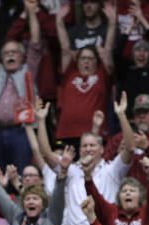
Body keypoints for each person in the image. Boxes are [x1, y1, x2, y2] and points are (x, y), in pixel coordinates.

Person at [36, 94, 135, 225]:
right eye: (84, 146)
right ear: (79, 150)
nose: (88, 149)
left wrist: (121, 115)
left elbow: (130, 147)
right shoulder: (71, 171)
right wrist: (41, 121)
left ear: (102, 149)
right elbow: (45, 154)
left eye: (92, 145)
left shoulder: (112, 170)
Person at [0, 0, 44, 171]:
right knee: (0, 181)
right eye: (6, 53)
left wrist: (31, 13)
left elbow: (36, 44)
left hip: (22, 132)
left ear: (22, 57)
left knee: (22, 178)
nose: (10, 56)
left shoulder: (28, 71)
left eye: (14, 52)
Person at [54, 2, 115, 145]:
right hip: (67, 133)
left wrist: (112, 23)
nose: (86, 62)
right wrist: (59, 22)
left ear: (97, 61)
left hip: (96, 134)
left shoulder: (102, 75)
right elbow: (65, 48)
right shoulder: (70, 73)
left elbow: (108, 50)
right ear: (77, 60)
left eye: (90, 58)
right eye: (83, 58)